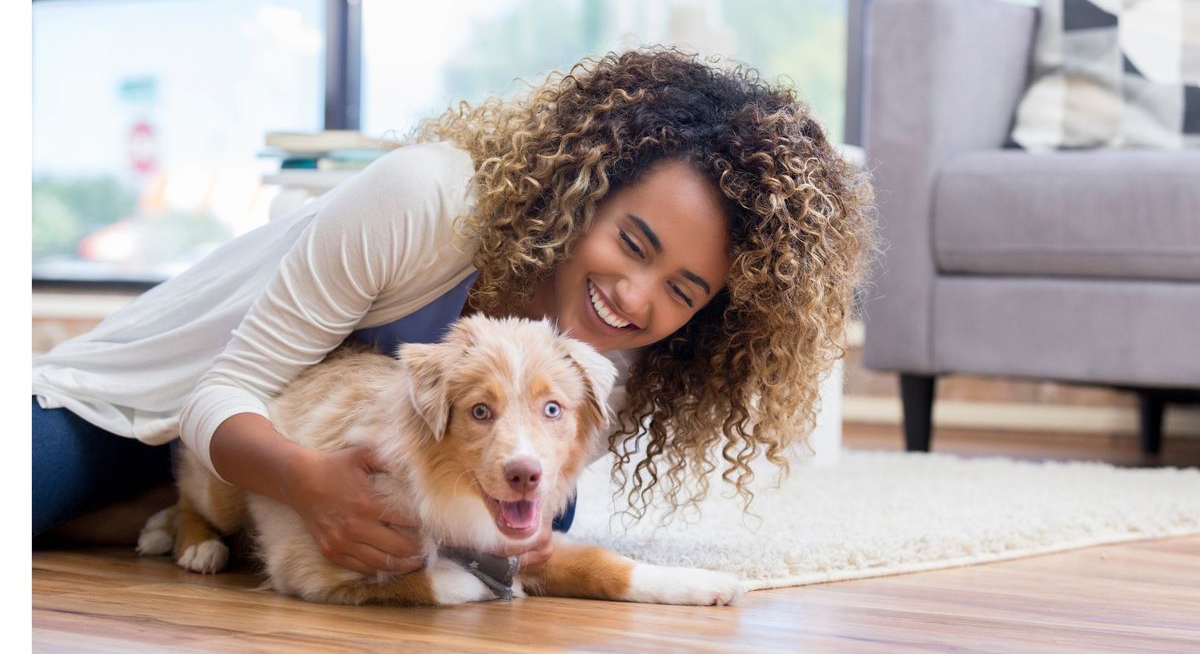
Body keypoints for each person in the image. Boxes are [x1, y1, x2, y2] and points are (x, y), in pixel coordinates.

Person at [32, 47, 874, 577]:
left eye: (684, 291)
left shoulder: (617, 344)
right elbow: (224, 388)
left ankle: (168, 514)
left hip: (254, 458)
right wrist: (310, 486)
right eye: (635, 241)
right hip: (138, 400)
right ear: (590, 188)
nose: (636, 296)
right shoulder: (426, 199)